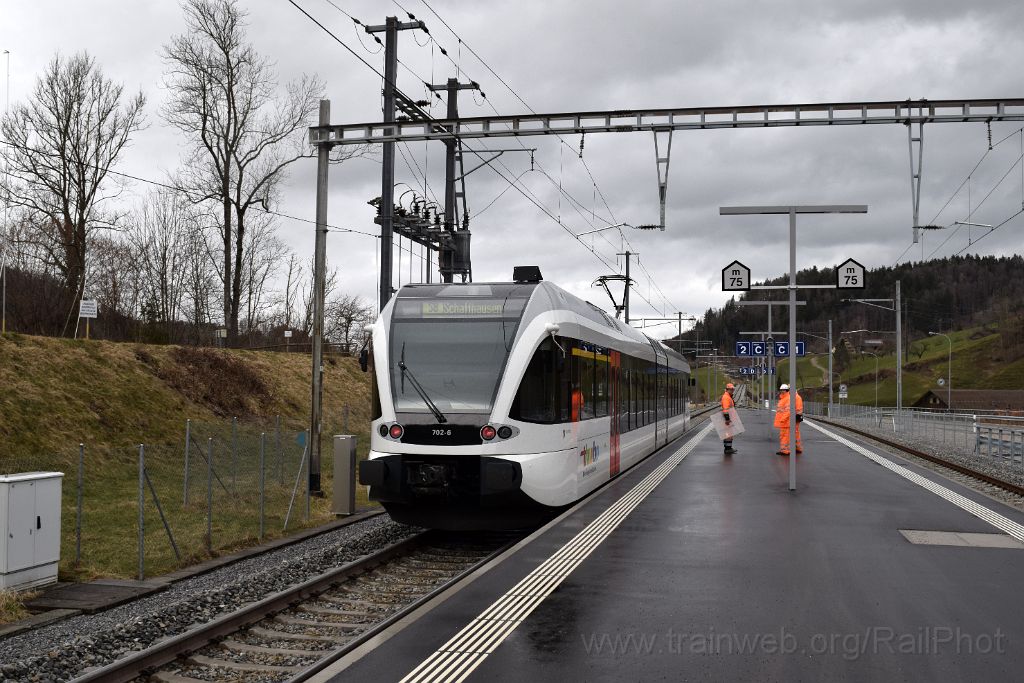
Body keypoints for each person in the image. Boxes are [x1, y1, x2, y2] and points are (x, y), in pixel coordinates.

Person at [773, 384, 804, 455]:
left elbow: (790, 410)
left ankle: (785, 450)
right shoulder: (795, 397)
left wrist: (783, 419)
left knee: (786, 435)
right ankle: (797, 448)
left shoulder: (794, 397)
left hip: (792, 419)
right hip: (794, 418)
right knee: (795, 434)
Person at [721, 382, 738, 455]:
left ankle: (728, 448)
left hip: (729, 418)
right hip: (728, 419)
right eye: (731, 389)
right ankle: (728, 449)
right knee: (728, 434)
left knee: (728, 434)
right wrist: (727, 418)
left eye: (733, 389)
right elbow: (725, 409)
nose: (732, 391)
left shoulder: (728, 396)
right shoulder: (726, 397)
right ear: (727, 389)